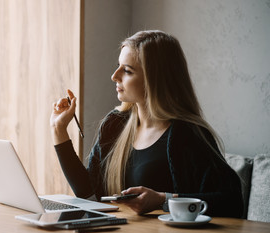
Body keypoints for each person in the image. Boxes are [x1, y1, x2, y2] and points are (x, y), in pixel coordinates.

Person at [50, 30, 243, 217]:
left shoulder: (188, 134)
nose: (114, 76)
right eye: (118, 66)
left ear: (154, 79)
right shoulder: (114, 125)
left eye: (127, 70)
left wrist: (163, 200)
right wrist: (59, 130)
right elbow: (89, 196)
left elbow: (232, 201)